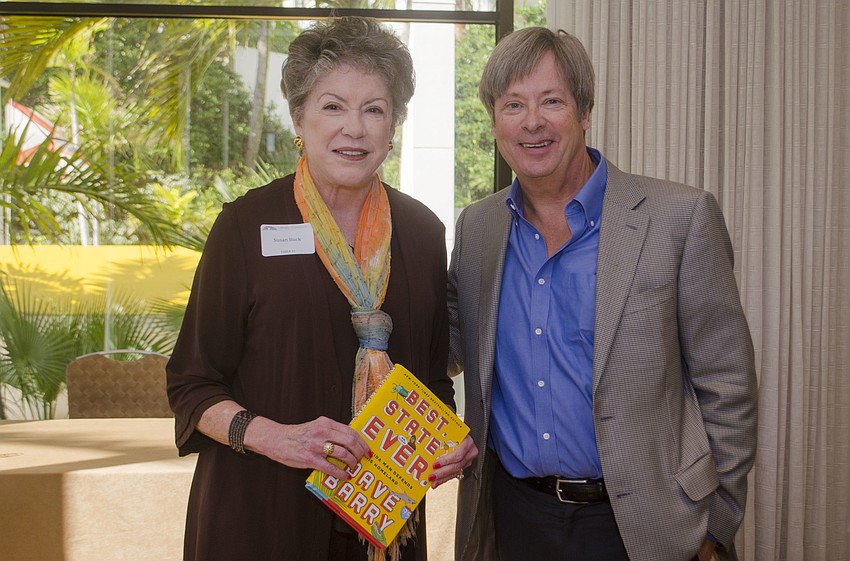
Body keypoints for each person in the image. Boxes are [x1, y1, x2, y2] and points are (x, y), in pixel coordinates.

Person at [447, 27, 758, 561]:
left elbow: (727, 381)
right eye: (513, 104)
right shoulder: (477, 228)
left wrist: (715, 526)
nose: (532, 121)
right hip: (513, 518)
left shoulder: (679, 218)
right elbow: (447, 341)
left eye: (552, 101)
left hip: (648, 528)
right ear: (495, 122)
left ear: (585, 111)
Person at [167, 16, 463, 561]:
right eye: (333, 106)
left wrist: (450, 440)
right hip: (261, 518)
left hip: (382, 521)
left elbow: (430, 382)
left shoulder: (423, 233)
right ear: (299, 118)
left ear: (394, 124)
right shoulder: (246, 227)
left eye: (374, 109)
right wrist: (277, 438)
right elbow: (192, 385)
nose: (354, 128)